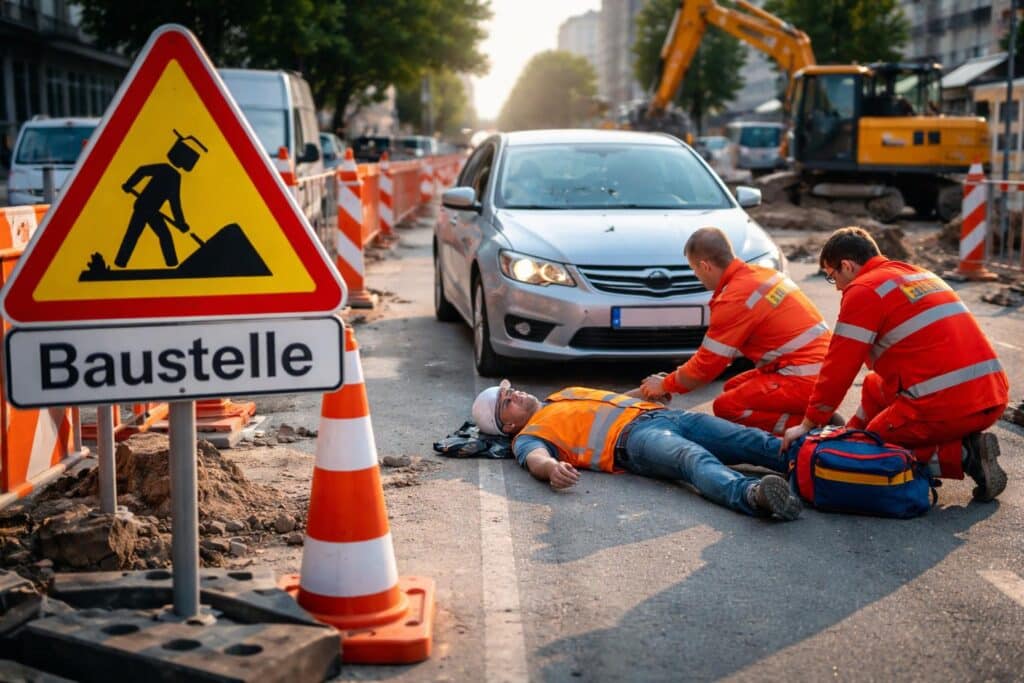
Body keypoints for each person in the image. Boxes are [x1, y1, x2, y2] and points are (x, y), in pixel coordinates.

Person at [782, 227, 1009, 501]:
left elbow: (838, 370)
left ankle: (964, 456)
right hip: (991, 396)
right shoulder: (916, 274)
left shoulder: (863, 290)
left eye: (833, 277)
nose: (838, 287)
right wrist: (848, 432)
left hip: (950, 406)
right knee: (873, 385)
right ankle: (855, 435)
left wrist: (808, 424)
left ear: (847, 266)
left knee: (871, 451)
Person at [472, 381, 802, 521]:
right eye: (506, 402)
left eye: (509, 391)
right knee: (692, 459)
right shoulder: (527, 437)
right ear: (509, 427)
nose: (513, 394)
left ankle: (809, 460)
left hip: (660, 415)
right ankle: (753, 495)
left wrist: (646, 391)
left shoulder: (561, 395)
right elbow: (536, 460)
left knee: (748, 440)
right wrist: (551, 469)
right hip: (634, 442)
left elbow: (608, 400)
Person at [640, 227, 832, 434]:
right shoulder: (761, 274)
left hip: (805, 377)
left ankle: (813, 428)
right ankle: (815, 417)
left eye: (694, 270)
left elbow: (706, 365)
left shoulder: (735, 298)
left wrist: (666, 385)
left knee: (727, 407)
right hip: (823, 371)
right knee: (733, 387)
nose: (696, 276)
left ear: (705, 266)